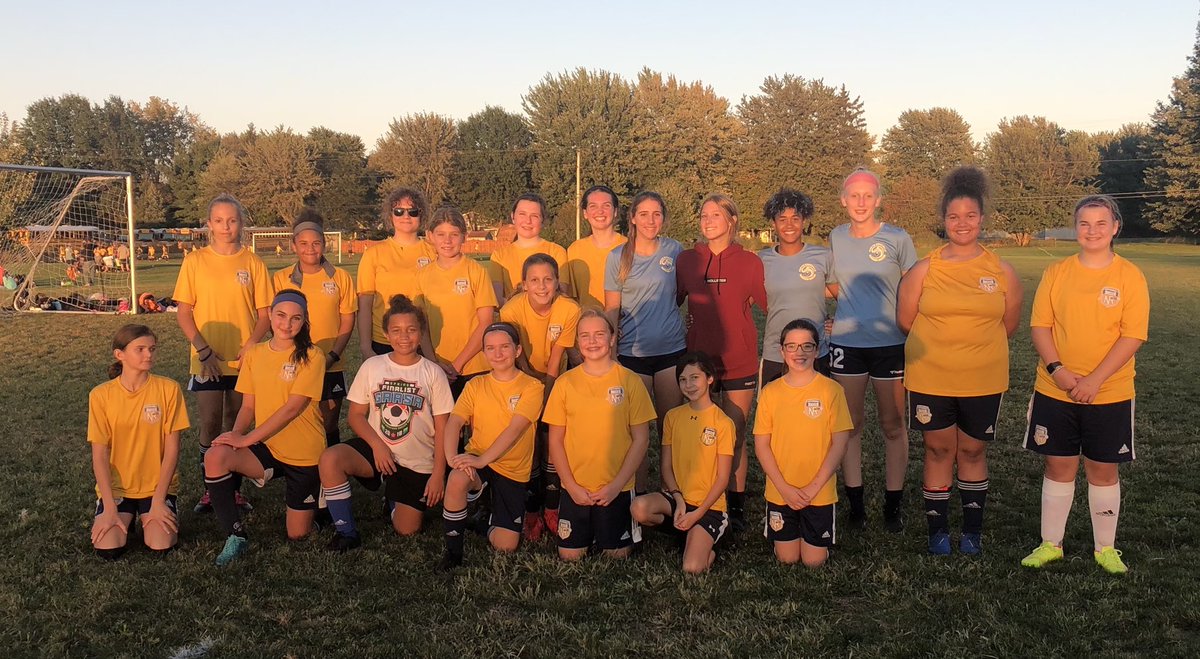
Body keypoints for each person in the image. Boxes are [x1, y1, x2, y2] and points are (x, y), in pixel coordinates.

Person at [1019, 195, 1149, 575]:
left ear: (1115, 227)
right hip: (1055, 388)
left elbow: (1132, 336)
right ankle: (1051, 544)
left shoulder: (1130, 276)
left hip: (1109, 392)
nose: (1092, 231)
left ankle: (1105, 548)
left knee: (1103, 470)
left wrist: (1094, 380)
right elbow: (1040, 326)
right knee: (1058, 465)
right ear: (1076, 228)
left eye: (1100, 223)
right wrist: (1058, 370)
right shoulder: (1056, 272)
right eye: (1084, 223)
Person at [897, 167, 1022, 555]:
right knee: (938, 451)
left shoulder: (1002, 271)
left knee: (971, 451)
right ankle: (937, 532)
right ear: (944, 220)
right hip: (930, 378)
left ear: (981, 218)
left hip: (982, 379)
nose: (962, 223)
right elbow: (905, 321)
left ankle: (971, 532)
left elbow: (1009, 325)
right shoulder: (924, 269)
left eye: (970, 215)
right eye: (954, 216)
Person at [203, 290, 327, 565]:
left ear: (304, 320)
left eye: (296, 318)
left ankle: (321, 504)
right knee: (216, 456)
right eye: (281, 315)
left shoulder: (312, 355)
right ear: (269, 314)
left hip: (304, 453)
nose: (287, 324)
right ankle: (236, 536)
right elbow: (248, 407)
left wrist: (247, 440)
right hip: (268, 446)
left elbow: (292, 409)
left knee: (298, 535)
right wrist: (236, 435)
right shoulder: (255, 353)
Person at [320, 295, 452, 550]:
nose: (404, 337)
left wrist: (438, 474)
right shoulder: (373, 366)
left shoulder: (433, 372)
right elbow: (355, 415)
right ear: (386, 334)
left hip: (416, 460)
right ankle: (346, 532)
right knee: (330, 459)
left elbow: (443, 428)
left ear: (421, 332)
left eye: (411, 330)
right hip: (377, 449)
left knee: (407, 530)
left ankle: (392, 499)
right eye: (397, 330)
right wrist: (378, 446)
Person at [828, 168, 917, 532]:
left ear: (879, 200)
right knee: (850, 425)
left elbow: (914, 287)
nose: (861, 202)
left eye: (868, 195)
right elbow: (834, 285)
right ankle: (857, 506)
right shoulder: (836, 237)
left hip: (890, 344)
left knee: (893, 425)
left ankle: (893, 506)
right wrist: (848, 313)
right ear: (843, 200)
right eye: (854, 195)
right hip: (847, 345)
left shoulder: (897, 238)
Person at [174, 193, 271, 514]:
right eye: (219, 220)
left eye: (232, 220)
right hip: (208, 360)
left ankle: (234, 491)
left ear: (241, 223)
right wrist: (203, 350)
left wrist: (252, 344)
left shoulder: (253, 262)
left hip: (244, 360)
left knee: (236, 424)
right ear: (209, 224)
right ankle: (210, 490)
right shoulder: (195, 261)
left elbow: (265, 314)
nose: (226, 226)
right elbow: (184, 312)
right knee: (211, 422)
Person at [676, 194, 766, 531]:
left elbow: (771, 304)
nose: (708, 220)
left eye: (716, 214)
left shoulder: (751, 262)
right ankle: (700, 497)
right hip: (699, 362)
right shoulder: (687, 260)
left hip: (739, 361)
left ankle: (736, 505)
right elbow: (671, 302)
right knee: (702, 433)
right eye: (704, 215)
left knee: (735, 433)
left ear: (732, 221)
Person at [544, 309, 655, 560]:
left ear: (613, 338)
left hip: (615, 487)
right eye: (585, 335)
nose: (592, 341)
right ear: (577, 341)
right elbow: (556, 441)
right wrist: (571, 486)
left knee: (617, 555)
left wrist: (616, 486)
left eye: (599, 334)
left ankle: (607, 527)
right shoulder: (565, 383)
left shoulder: (629, 380)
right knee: (570, 556)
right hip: (576, 487)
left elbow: (641, 439)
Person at [437, 322, 545, 571]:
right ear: (484, 352)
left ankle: (484, 519)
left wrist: (482, 460)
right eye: (490, 348)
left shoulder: (532, 387)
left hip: (511, 469)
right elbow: (455, 421)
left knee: (505, 545)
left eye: (504, 347)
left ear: (518, 350)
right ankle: (453, 553)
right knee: (456, 478)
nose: (497, 353)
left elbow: (514, 430)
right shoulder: (475, 384)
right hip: (478, 458)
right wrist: (452, 458)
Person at [603, 191, 687, 487]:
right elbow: (611, 308)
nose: (651, 220)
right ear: (633, 218)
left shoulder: (675, 250)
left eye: (657, 214)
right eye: (644, 214)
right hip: (632, 354)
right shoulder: (617, 257)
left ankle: (671, 491)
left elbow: (683, 293)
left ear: (663, 218)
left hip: (670, 351)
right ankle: (636, 493)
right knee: (636, 431)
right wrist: (612, 353)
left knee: (670, 428)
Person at [754, 319, 853, 567]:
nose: (799, 353)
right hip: (781, 490)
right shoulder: (770, 392)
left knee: (813, 562)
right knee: (787, 558)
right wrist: (784, 488)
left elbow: (839, 444)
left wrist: (813, 488)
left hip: (818, 492)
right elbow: (762, 445)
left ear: (817, 350)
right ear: (782, 351)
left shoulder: (832, 390)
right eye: (792, 346)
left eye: (807, 346)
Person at [499, 253, 581, 538]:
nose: (542, 286)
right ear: (524, 284)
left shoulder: (569, 309)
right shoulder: (511, 310)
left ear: (558, 282)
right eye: (534, 280)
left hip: (554, 379)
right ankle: (531, 508)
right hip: (521, 377)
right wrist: (533, 393)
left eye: (548, 279)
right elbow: (516, 355)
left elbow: (556, 358)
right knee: (528, 441)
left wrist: (548, 397)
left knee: (551, 438)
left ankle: (552, 506)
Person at [88, 324, 188, 559]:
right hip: (118, 488)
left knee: (160, 545)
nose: (148, 354)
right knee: (108, 548)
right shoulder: (100, 395)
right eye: (140, 349)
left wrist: (159, 501)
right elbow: (99, 455)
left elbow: (172, 449)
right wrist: (109, 507)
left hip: (156, 488)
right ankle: (124, 515)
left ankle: (153, 512)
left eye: (152, 349)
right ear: (119, 354)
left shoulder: (169, 389)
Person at [630, 352, 734, 574]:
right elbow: (666, 467)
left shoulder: (723, 423)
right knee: (638, 508)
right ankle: (686, 530)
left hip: (709, 506)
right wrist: (678, 499)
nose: (689, 385)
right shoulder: (673, 416)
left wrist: (697, 513)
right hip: (679, 500)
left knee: (692, 568)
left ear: (709, 378)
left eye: (695, 377)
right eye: (683, 379)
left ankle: (711, 538)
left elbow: (723, 478)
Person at [272, 210, 357, 445]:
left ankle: (331, 466)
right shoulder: (280, 278)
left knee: (328, 422)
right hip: (294, 361)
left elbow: (348, 320)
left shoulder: (341, 277)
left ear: (324, 244)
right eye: (303, 243)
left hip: (331, 363)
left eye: (316, 243)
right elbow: (275, 322)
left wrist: (333, 355)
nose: (310, 249)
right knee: (297, 418)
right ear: (294, 245)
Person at [414, 206, 497, 398]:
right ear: (430, 236)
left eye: (454, 234)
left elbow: (486, 322)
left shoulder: (476, 271)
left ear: (464, 237)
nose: (447, 241)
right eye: (441, 234)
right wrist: (433, 362)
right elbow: (420, 324)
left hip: (475, 366)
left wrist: (457, 365)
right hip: (437, 366)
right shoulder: (422, 276)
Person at [758, 188, 834, 383]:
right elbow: (741, 301)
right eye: (782, 219)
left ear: (804, 221)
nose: (789, 225)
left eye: (795, 218)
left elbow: (845, 296)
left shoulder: (823, 256)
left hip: (815, 351)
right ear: (773, 223)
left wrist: (840, 321)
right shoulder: (761, 260)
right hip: (776, 352)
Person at [357, 187, 437, 358]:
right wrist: (365, 347)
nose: (406, 216)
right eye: (399, 211)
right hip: (384, 341)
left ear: (421, 215)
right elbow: (365, 305)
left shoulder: (434, 252)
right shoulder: (373, 254)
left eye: (412, 211)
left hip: (425, 341)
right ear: (390, 215)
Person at [488, 193, 568, 303]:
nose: (528, 221)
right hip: (512, 313)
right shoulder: (499, 256)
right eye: (522, 214)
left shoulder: (557, 252)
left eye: (534, 216)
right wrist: (521, 310)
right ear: (513, 217)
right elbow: (497, 298)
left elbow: (561, 294)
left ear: (542, 220)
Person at [567, 185, 627, 311]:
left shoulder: (629, 247)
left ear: (615, 211)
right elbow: (570, 297)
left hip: (625, 321)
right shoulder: (575, 250)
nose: (600, 211)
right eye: (593, 206)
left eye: (606, 206)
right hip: (586, 321)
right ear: (585, 213)